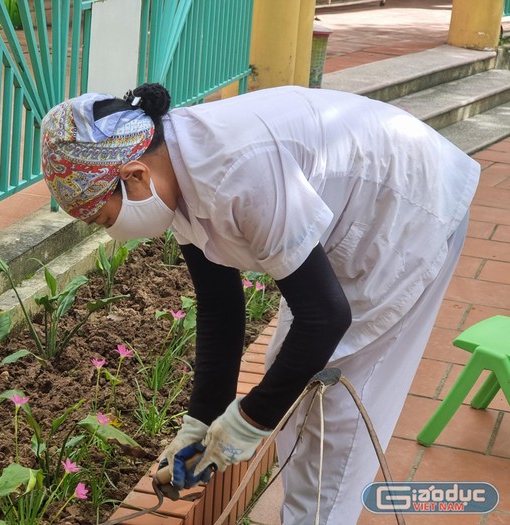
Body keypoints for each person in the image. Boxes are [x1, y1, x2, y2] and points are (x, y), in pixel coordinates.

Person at [40, 82, 480, 523]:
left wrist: (247, 424)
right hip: (351, 215)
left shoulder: (235, 171)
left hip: (405, 212)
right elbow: (220, 306)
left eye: (104, 217)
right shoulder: (173, 169)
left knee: (333, 412)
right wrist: (201, 425)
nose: (110, 231)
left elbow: (325, 318)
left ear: (134, 176)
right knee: (290, 380)